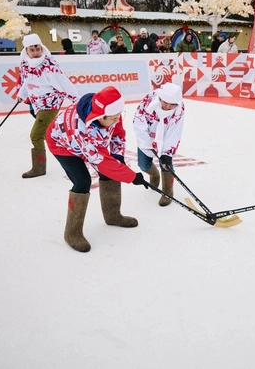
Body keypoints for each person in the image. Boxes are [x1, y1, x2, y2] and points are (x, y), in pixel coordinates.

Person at [46, 86, 150, 253]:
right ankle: (72, 233)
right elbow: (101, 161)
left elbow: (118, 134)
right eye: (113, 118)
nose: (117, 120)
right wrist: (132, 177)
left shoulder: (111, 110)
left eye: (118, 117)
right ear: (100, 117)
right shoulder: (82, 128)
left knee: (113, 168)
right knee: (82, 181)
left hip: (89, 143)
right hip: (63, 144)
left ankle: (113, 216)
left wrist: (118, 157)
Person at [17, 33, 79, 179]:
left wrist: (77, 100)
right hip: (37, 103)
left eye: (37, 48)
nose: (35, 52)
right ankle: (74, 151)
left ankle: (39, 168)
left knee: (36, 135)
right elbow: (27, 82)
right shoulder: (26, 65)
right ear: (26, 51)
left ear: (42, 48)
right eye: (31, 49)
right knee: (50, 133)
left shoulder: (49, 66)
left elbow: (64, 83)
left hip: (50, 103)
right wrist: (22, 94)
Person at [133, 83, 185, 207]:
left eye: (172, 104)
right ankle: (154, 174)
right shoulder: (148, 102)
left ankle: (168, 191)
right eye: (165, 102)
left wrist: (167, 153)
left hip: (164, 137)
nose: (167, 106)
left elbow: (174, 133)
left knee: (166, 164)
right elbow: (138, 122)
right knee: (143, 165)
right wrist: (146, 143)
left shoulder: (179, 111)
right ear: (160, 97)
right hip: (146, 136)